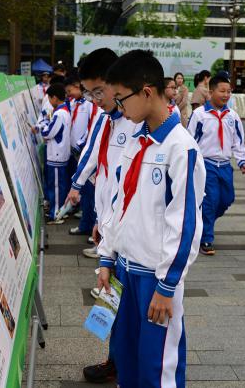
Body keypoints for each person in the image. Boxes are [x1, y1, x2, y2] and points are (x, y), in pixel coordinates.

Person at [97, 49, 205, 386]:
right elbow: (118, 202)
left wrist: (167, 285)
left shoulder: (181, 147)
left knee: (156, 366)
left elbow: (185, 223)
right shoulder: (135, 140)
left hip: (154, 280)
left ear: (145, 92)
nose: (119, 107)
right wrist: (107, 257)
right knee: (127, 359)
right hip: (125, 271)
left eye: (121, 99)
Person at [64, 48, 138, 384]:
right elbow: (97, 160)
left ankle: (124, 364)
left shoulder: (136, 123)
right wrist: (100, 220)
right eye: (89, 93)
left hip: (130, 235)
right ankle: (116, 360)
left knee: (126, 304)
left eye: (98, 91)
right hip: (111, 228)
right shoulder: (107, 118)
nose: (95, 99)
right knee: (113, 296)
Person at [187, 74, 245, 256]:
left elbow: (238, 140)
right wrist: (189, 162)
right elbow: (189, 139)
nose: (226, 95)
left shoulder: (233, 116)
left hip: (225, 165)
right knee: (210, 200)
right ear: (211, 91)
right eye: (222, 91)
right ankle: (206, 238)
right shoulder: (200, 115)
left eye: (229, 91)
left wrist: (242, 161)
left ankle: (203, 223)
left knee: (227, 199)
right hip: (206, 164)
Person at [64, 75, 99, 235]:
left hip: (90, 153)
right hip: (81, 152)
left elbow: (91, 131)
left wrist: (81, 143)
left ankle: (93, 227)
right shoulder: (75, 103)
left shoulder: (93, 106)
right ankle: (85, 224)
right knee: (85, 191)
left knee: (92, 193)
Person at [33, 83, 71, 225]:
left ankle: (55, 214)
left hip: (56, 154)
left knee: (56, 186)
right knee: (59, 185)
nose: (49, 101)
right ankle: (58, 210)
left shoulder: (59, 114)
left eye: (49, 98)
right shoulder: (64, 111)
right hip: (59, 153)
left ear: (54, 98)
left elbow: (48, 133)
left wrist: (41, 129)